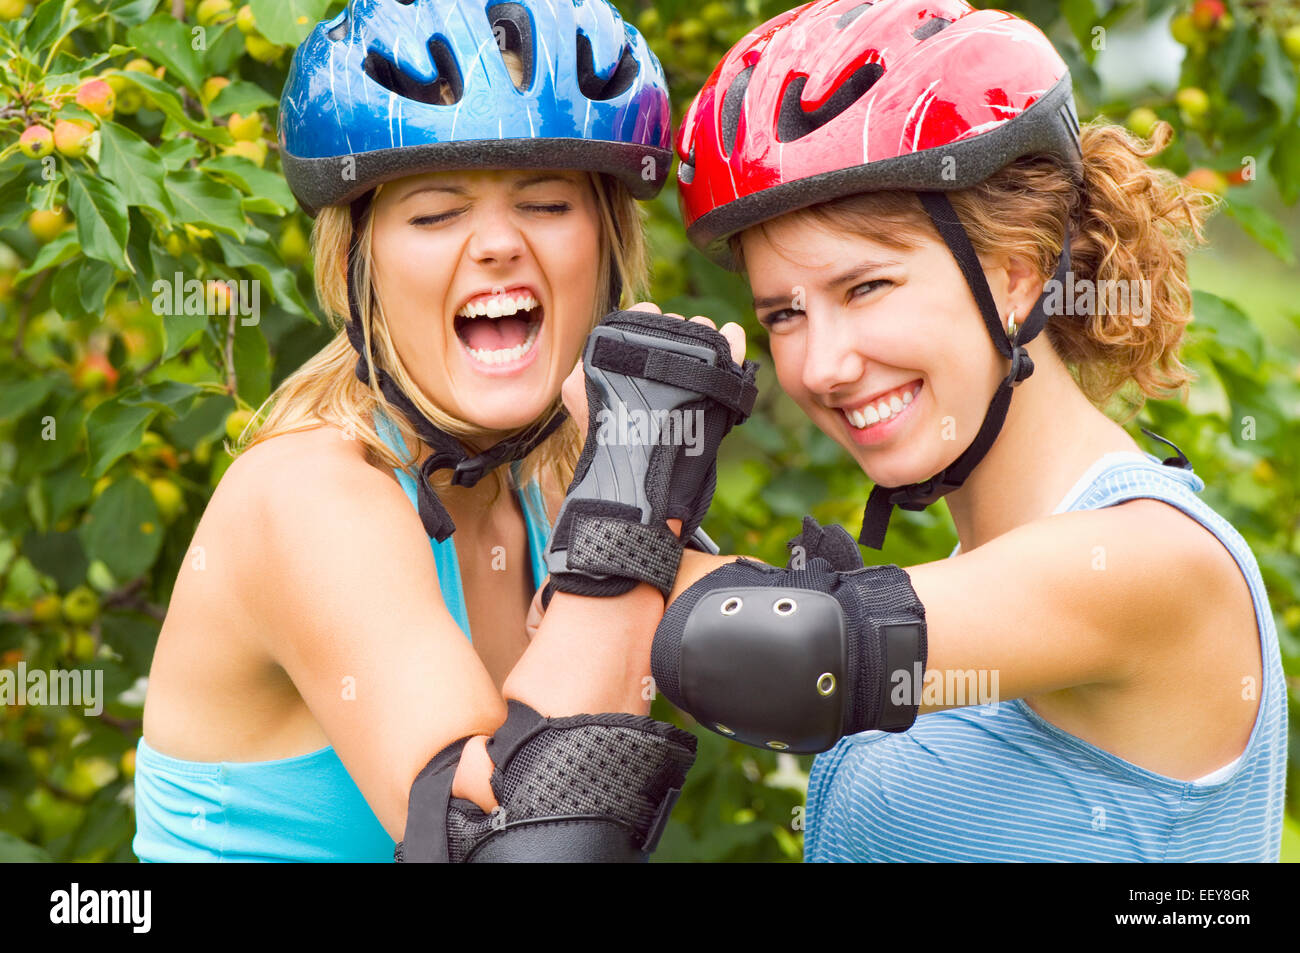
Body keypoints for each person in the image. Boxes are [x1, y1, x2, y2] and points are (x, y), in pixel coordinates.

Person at [553, 0, 1287, 861]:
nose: (823, 364)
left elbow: (781, 651)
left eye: (867, 287)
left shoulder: (1148, 560)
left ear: (1015, 271)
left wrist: (626, 472)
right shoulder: (966, 591)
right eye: (784, 313)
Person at [130, 0, 738, 863]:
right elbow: (511, 846)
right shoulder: (309, 494)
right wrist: (637, 485)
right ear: (356, 263)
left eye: (546, 202)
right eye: (435, 213)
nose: (497, 243)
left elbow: (796, 654)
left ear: (605, 246)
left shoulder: (556, 486)